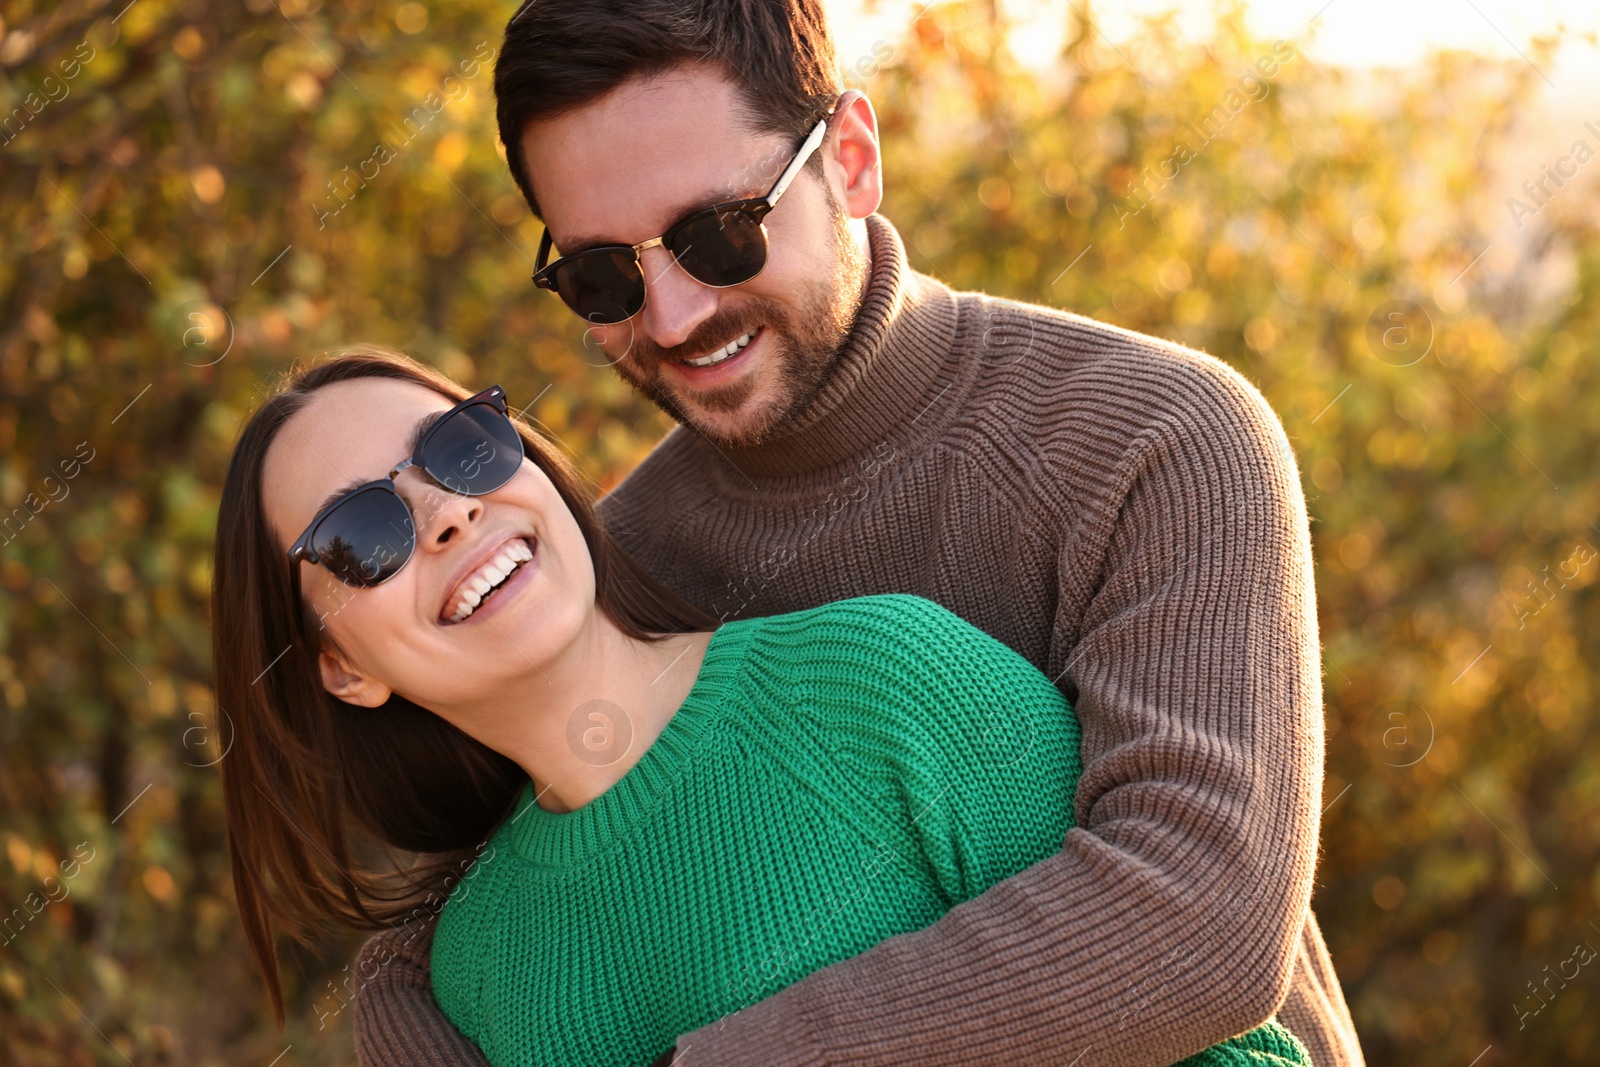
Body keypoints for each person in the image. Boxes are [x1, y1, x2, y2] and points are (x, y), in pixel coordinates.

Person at [351, 1, 1366, 1065]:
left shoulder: (1159, 436)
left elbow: (1201, 918)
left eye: (719, 235)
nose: (672, 316)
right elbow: (463, 900)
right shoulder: (615, 565)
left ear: (850, 157)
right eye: (601, 276)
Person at [211, 348, 1312, 1067]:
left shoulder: (881, 680)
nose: (448, 513)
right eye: (362, 532)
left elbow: (1233, 1045)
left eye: (459, 448)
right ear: (340, 668)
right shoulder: (474, 975)